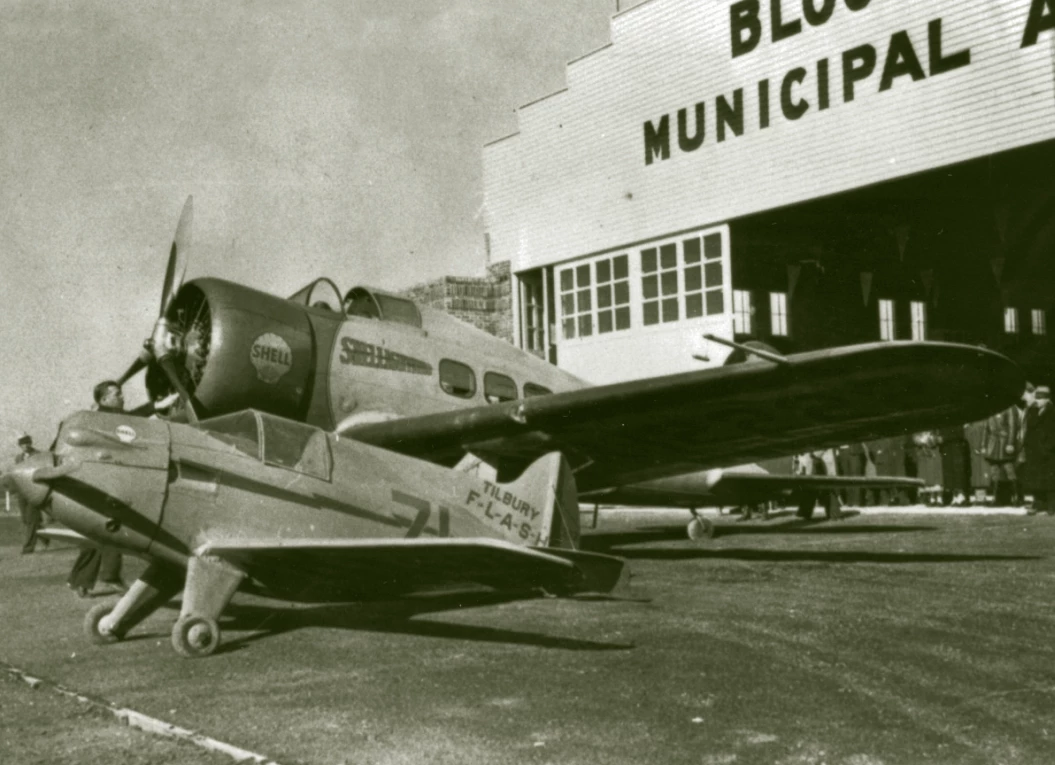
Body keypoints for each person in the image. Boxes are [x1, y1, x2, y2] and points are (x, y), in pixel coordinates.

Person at [67, 382, 128, 596]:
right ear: (103, 400)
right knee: (109, 528)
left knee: (99, 531)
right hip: (104, 482)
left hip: (102, 482)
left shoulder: (108, 417)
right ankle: (106, 577)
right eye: (117, 394)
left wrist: (156, 406)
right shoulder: (105, 419)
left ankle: (81, 580)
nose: (122, 397)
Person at [980, 403, 1023, 506]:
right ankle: (997, 498)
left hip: (1005, 443)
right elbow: (986, 428)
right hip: (993, 443)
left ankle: (1016, 497)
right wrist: (983, 444)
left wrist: (1010, 443)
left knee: (1009, 470)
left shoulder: (1009, 407)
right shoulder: (990, 407)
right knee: (994, 471)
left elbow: (1013, 426)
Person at [1022, 385, 1055, 515]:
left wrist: (1047, 448)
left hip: (1049, 453)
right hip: (1034, 452)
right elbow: (1029, 431)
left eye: (1041, 398)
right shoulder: (1033, 411)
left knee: (1050, 481)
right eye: (1037, 398)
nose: (1038, 401)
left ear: (1047, 399)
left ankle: (1052, 506)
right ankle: (1039, 504)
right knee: (1036, 479)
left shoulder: (1052, 412)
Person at [14, 434, 48, 554]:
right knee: (26, 519)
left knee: (31, 518)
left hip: (34, 490)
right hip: (22, 491)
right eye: (23, 443)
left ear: (31, 443)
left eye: (27, 442)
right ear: (20, 445)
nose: (25, 445)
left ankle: (28, 547)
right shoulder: (18, 458)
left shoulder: (39, 455)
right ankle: (45, 537)